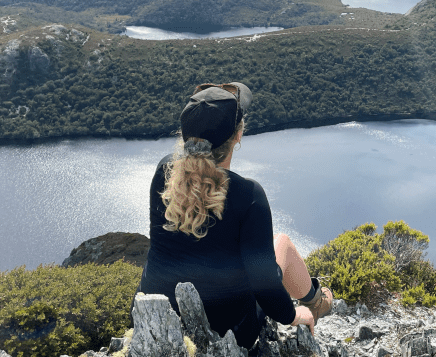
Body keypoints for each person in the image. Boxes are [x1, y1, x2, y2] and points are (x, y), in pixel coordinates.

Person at [137, 82, 333, 351]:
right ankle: (316, 302)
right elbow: (264, 285)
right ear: (238, 135)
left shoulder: (165, 172)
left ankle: (316, 300)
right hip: (224, 329)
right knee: (283, 245)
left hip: (155, 324)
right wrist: (293, 316)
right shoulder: (248, 195)